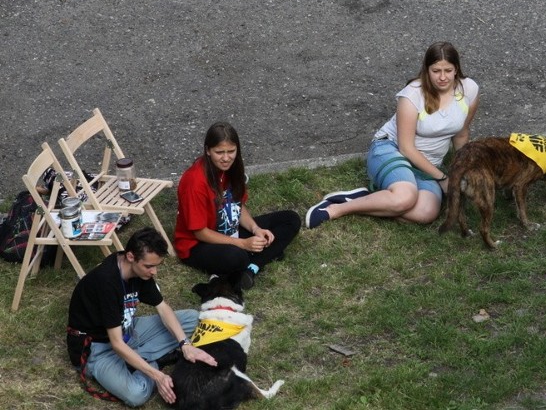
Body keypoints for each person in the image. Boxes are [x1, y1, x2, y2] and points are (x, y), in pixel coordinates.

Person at [305, 41, 479, 228]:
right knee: (405, 198)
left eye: (448, 70)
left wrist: (463, 171)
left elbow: (461, 134)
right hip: (392, 149)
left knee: (426, 213)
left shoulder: (468, 89)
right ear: (427, 70)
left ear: (457, 69)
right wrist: (443, 179)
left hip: (427, 164)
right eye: (436, 71)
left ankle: (377, 198)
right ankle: (337, 208)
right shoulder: (412, 95)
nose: (443, 77)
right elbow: (406, 148)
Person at [66, 227, 217, 407]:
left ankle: (137, 360)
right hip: (98, 348)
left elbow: (162, 307)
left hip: (127, 329)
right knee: (137, 394)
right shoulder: (107, 282)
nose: (154, 272)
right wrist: (158, 377)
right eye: (149, 266)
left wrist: (185, 345)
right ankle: (151, 362)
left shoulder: (139, 272)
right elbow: (116, 343)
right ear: (131, 257)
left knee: (192, 318)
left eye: (156, 266)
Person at [173, 122, 301, 289]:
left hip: (229, 230)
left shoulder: (232, 168)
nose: (226, 158)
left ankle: (250, 269)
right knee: (237, 256)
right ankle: (258, 257)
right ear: (207, 151)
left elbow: (237, 206)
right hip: (198, 244)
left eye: (231, 151)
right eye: (219, 152)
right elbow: (200, 232)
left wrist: (256, 229)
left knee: (290, 219)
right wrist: (243, 244)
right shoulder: (194, 181)